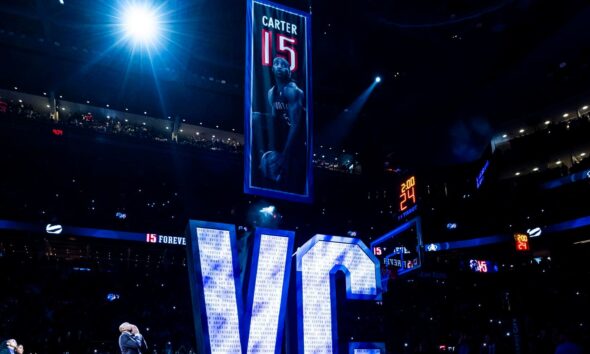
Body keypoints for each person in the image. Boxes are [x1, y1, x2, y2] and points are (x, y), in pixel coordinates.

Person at [252, 56, 306, 194]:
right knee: (254, 116)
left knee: (290, 178)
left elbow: (295, 125)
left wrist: (284, 154)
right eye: (276, 63)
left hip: (300, 135)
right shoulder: (271, 93)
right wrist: (270, 149)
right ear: (272, 69)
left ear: (289, 71)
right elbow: (275, 121)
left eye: (284, 65)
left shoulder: (293, 91)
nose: (280, 66)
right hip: (285, 131)